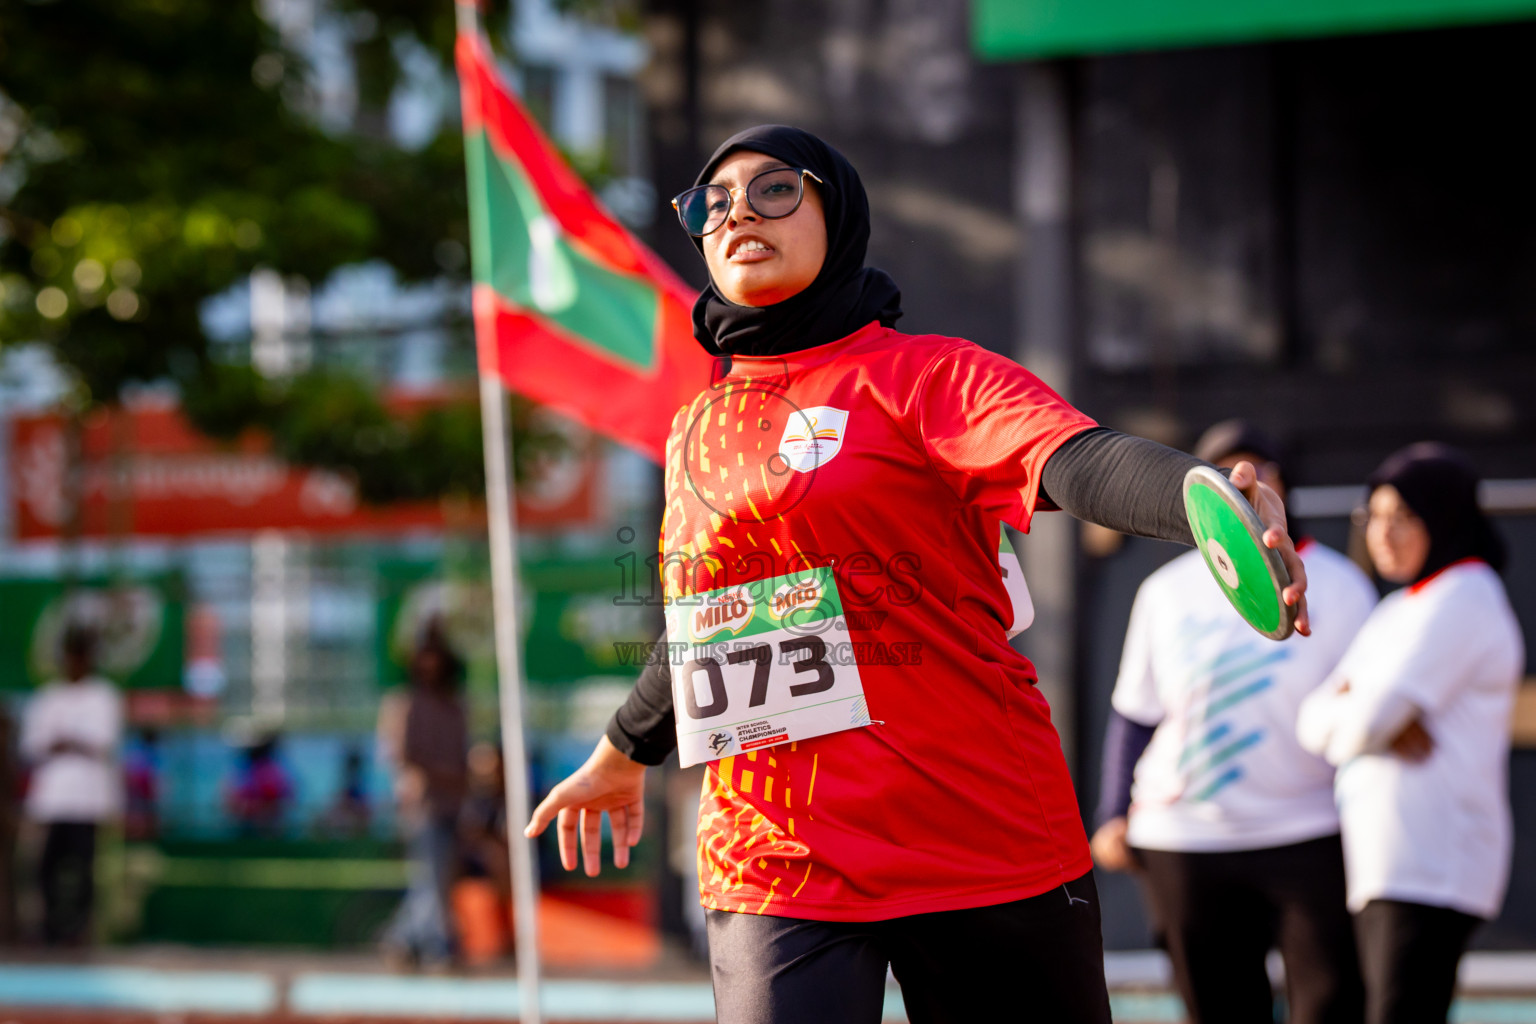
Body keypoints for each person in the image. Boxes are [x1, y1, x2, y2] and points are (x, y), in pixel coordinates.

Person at [524, 125, 1310, 1024]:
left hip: (978, 833)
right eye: (714, 202)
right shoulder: (697, 425)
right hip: (775, 853)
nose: (739, 212)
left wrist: (1207, 503)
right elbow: (715, 630)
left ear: (839, 214)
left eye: (775, 189)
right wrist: (620, 754)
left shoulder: (928, 377)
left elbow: (1074, 459)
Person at [1089, 421, 1377, 1024]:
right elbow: (1135, 714)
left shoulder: (1342, 584)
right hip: (1184, 838)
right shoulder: (1164, 591)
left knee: (1330, 1001)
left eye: (1259, 471)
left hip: (1309, 829)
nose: (1244, 485)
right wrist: (1114, 813)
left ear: (1283, 485)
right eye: (1223, 474)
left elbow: (1369, 704)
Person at [1297, 444, 1523, 1024]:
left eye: (1403, 516)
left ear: (1443, 518)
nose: (1382, 533)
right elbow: (1310, 722)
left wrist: (1363, 711)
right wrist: (1368, 717)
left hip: (1433, 864)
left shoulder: (1466, 594)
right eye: (1373, 515)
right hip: (1386, 865)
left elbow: (1362, 725)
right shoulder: (1399, 608)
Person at [19, 625, 123, 945]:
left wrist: (66, 743)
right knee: (46, 868)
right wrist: (71, 744)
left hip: (87, 802)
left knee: (84, 869)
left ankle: (80, 930)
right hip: (51, 801)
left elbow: (103, 742)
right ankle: (50, 928)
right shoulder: (47, 697)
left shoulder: (103, 696)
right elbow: (32, 745)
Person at [377, 618, 469, 969]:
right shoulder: (404, 703)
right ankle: (437, 947)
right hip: (421, 805)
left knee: (436, 878)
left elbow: (463, 755)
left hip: (453, 803)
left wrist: (458, 780)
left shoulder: (454, 704)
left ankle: (400, 940)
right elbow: (400, 755)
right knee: (429, 875)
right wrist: (434, 775)